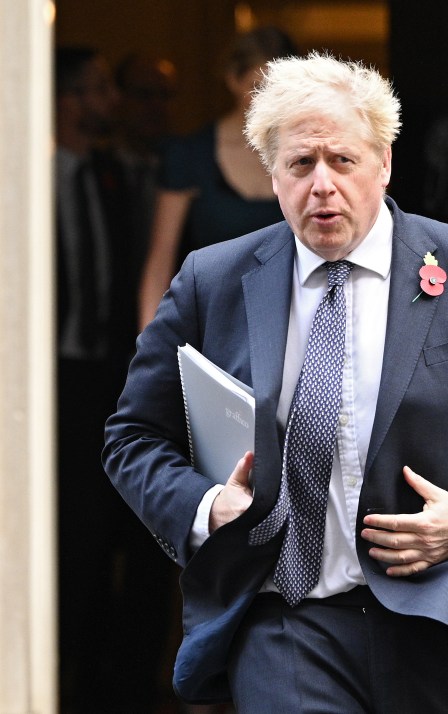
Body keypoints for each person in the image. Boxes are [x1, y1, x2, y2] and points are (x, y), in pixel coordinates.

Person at [103, 53, 448, 712]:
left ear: (384, 163)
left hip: (439, 621)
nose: (322, 185)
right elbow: (132, 438)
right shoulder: (212, 281)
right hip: (284, 623)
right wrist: (207, 508)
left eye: (343, 160)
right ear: (273, 175)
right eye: (301, 164)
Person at [55, 46, 171, 713]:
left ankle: (130, 687)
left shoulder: (120, 176)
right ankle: (74, 682)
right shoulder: (34, 177)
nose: (115, 103)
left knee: (143, 533)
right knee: (79, 536)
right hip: (61, 381)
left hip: (123, 374)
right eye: (99, 89)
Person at [137, 27, 297, 330]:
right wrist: (149, 346)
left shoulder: (306, 155)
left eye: (282, 89)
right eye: (258, 86)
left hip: (291, 325)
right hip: (212, 326)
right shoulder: (191, 155)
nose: (270, 100)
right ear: (233, 79)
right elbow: (160, 261)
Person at [114, 53, 179, 271]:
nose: (156, 105)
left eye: (165, 95)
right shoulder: (94, 171)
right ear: (119, 98)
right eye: (144, 95)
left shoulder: (182, 169)